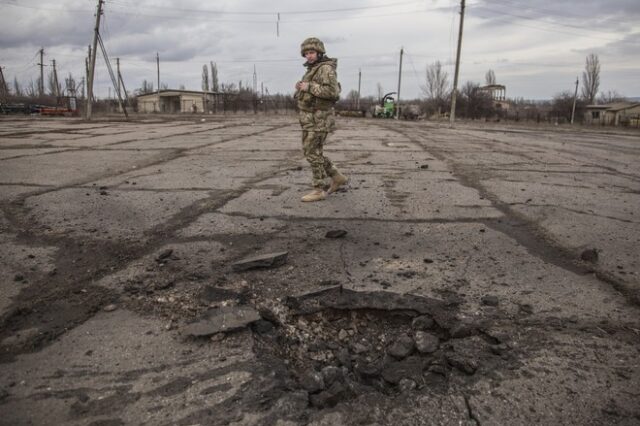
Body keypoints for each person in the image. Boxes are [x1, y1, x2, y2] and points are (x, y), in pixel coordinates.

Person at [294, 37, 348, 202]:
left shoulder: (325, 68)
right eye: (306, 53)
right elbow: (313, 91)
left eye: (311, 52)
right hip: (310, 118)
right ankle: (337, 177)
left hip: (320, 118)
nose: (308, 56)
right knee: (313, 152)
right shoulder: (313, 69)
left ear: (319, 52)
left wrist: (308, 87)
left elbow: (333, 92)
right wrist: (301, 88)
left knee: (312, 152)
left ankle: (319, 189)